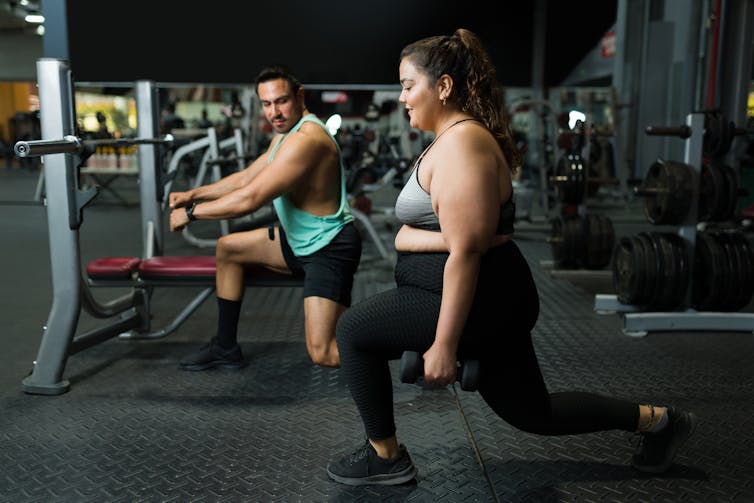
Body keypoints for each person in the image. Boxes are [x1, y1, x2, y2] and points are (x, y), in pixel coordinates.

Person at [326, 28, 697, 486]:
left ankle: (385, 458)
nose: (402, 97)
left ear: (442, 87)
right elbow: (454, 238)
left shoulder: (463, 145)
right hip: (480, 293)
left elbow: (466, 252)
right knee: (534, 413)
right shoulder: (450, 139)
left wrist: (443, 344)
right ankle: (659, 421)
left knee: (353, 330)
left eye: (407, 85)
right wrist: (413, 240)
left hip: (480, 298)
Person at [168, 65, 362, 371]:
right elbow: (247, 178)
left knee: (322, 353)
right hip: (296, 241)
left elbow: (251, 198)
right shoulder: (284, 135)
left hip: (328, 249)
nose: (274, 112)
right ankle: (225, 346)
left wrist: (192, 214)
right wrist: (194, 194)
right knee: (228, 248)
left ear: (299, 96)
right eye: (267, 104)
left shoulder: (307, 139)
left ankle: (409, 355)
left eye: (281, 101)